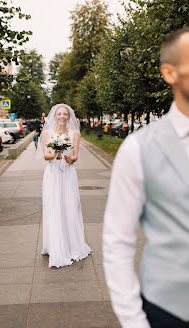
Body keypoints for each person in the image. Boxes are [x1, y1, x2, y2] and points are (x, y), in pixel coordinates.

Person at [103, 27, 189, 328]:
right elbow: (117, 242)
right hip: (170, 311)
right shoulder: (138, 149)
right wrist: (134, 322)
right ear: (170, 73)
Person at [38, 104, 91, 268]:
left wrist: (72, 158)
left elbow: (75, 155)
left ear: (69, 117)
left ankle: (72, 245)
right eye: (59, 114)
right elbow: (46, 156)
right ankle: (56, 246)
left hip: (68, 174)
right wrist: (55, 152)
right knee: (54, 208)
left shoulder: (75, 134)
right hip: (52, 174)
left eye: (65, 114)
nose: (62, 116)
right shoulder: (47, 133)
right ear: (55, 116)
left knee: (70, 206)